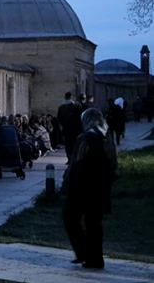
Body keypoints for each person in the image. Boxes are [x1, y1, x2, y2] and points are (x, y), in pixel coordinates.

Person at [62, 108, 118, 269]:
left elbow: (76, 164)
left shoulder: (85, 138)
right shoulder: (107, 137)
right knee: (94, 224)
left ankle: (84, 252)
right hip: (100, 187)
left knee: (70, 217)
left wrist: (67, 186)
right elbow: (113, 164)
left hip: (82, 188)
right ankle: (95, 258)